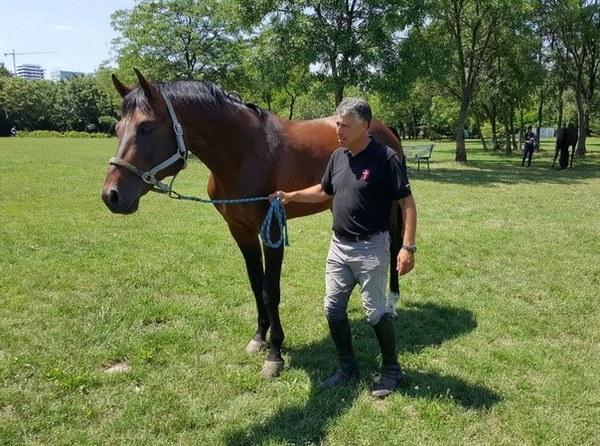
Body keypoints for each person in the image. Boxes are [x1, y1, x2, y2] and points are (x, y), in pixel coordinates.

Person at [269, 98, 417, 398]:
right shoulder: (338, 156)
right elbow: (324, 190)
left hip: (371, 247)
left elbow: (407, 203)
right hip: (339, 247)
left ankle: (391, 370)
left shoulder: (386, 158)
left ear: (364, 126)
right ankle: (347, 367)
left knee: (375, 313)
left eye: (345, 125)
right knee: (333, 309)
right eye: (337, 123)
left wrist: (407, 246)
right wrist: (292, 195)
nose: (338, 130)